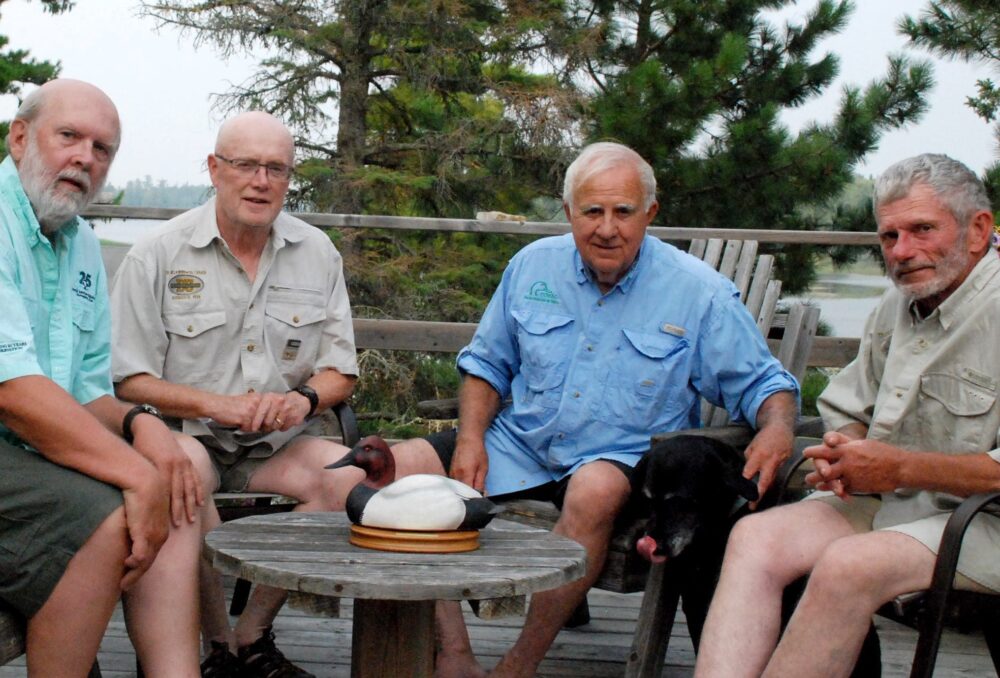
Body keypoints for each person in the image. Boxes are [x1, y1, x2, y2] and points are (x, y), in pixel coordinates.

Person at [387, 141, 800, 677]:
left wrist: (777, 427)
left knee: (594, 488)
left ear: (649, 213)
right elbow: (487, 364)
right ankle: (455, 654)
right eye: (593, 211)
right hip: (522, 442)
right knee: (397, 476)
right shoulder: (532, 266)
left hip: (619, 457)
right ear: (569, 213)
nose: (607, 228)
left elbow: (765, 384)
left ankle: (517, 667)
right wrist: (469, 439)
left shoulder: (698, 294)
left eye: (623, 211)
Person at [110, 110, 401, 676]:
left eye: (276, 169)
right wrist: (216, 405)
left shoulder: (318, 253)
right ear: (214, 169)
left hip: (280, 444)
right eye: (245, 165)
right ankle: (217, 646)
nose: (260, 181)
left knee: (349, 477)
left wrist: (304, 401)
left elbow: (340, 370)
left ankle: (251, 637)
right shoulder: (158, 255)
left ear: (290, 179)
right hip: (186, 434)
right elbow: (127, 380)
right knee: (182, 473)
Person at [694, 153, 1000, 678]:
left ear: (978, 230)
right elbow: (847, 406)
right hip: (897, 506)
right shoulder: (898, 303)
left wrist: (899, 468)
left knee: (848, 565)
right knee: (756, 537)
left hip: (985, 522)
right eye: (889, 237)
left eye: (922, 229)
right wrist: (848, 450)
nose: (902, 252)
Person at [0, 79, 203, 676]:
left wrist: (147, 427)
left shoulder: (82, 242)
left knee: (177, 468)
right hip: (11, 431)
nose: (85, 158)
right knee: (112, 507)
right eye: (69, 137)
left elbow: (87, 390)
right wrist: (138, 477)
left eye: (102, 148)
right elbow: (12, 390)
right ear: (20, 138)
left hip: (27, 447)